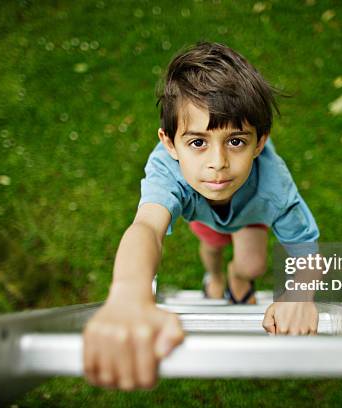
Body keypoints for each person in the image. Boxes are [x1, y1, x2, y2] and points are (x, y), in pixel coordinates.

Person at [83, 42, 320, 390]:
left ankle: (237, 278)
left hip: (250, 215)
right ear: (170, 144)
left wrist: (300, 296)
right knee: (210, 247)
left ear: (260, 142)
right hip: (203, 216)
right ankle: (214, 277)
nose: (218, 163)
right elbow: (148, 227)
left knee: (252, 266)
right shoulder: (168, 169)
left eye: (236, 141)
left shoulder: (273, 185)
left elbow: (302, 244)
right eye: (197, 143)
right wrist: (129, 293)